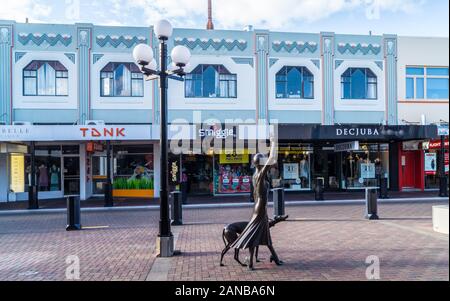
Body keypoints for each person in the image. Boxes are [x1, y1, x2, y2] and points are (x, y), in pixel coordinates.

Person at [231, 136, 283, 270]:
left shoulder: (256, 174)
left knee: (265, 236)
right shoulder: (260, 174)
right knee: (254, 236)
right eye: (264, 161)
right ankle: (251, 264)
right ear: (260, 163)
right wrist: (273, 143)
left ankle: (275, 259)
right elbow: (273, 158)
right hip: (260, 209)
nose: (267, 163)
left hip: (259, 207)